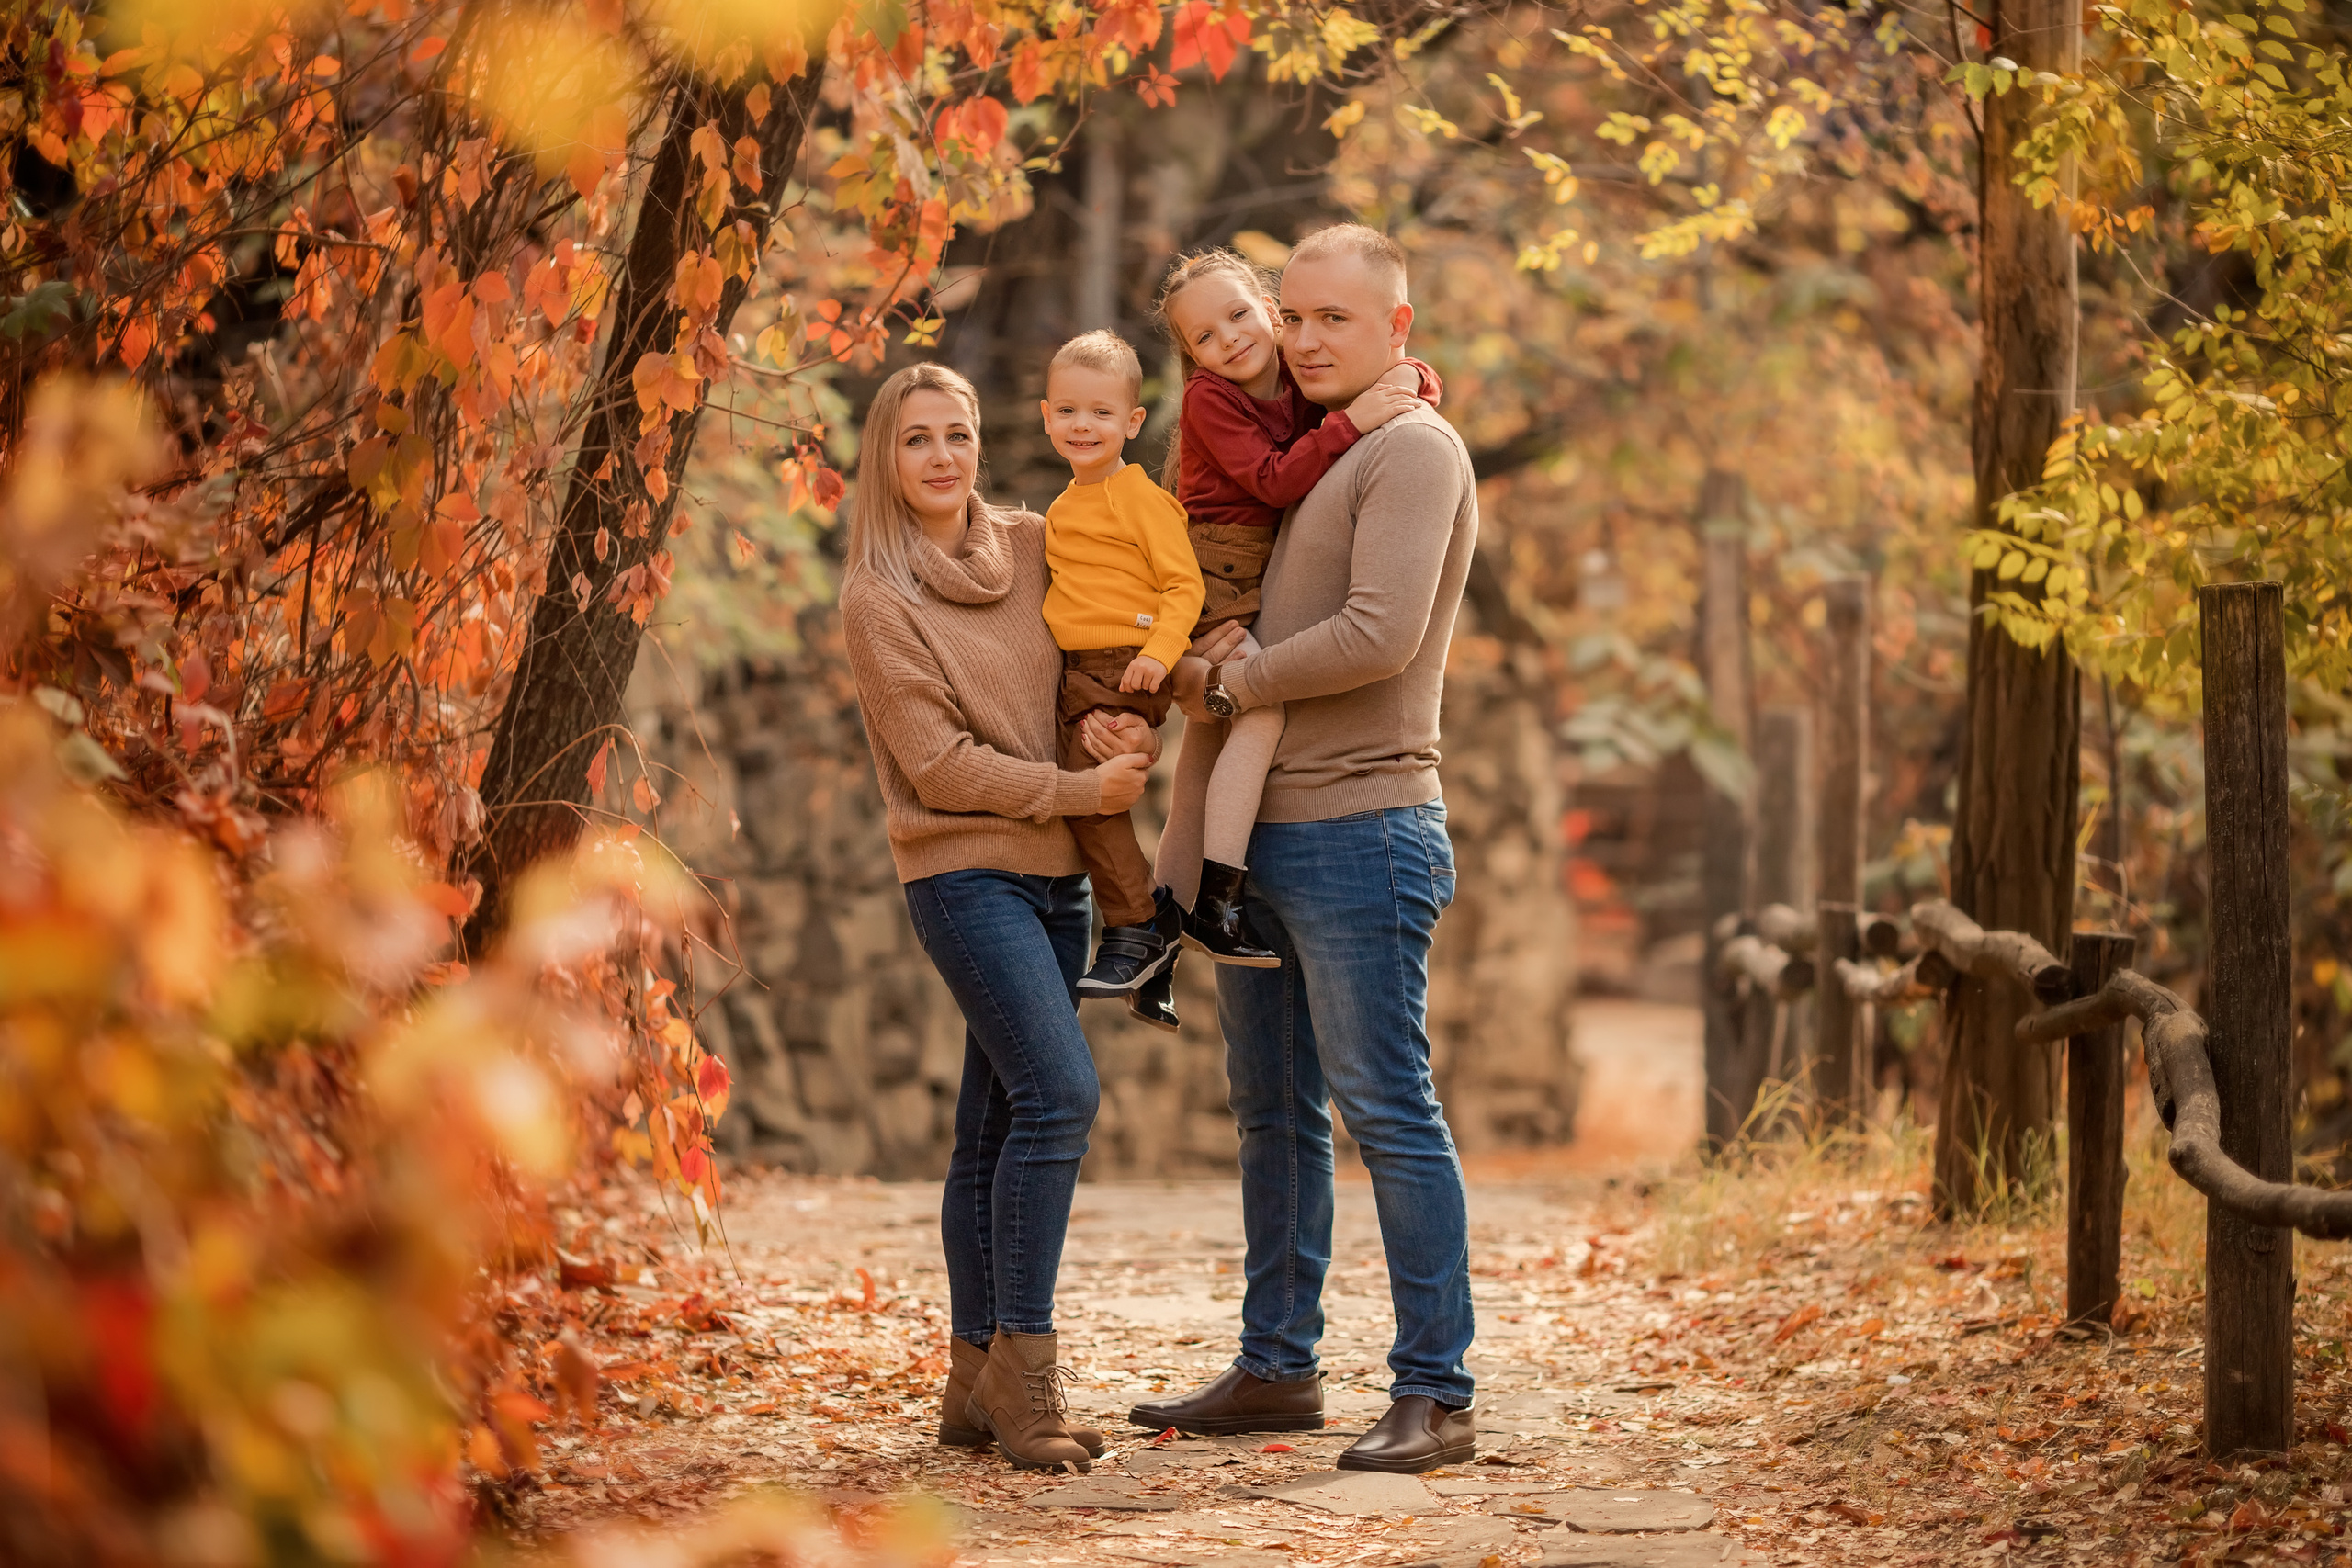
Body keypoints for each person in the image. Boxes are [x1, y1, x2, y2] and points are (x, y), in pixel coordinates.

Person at [1128, 226, 1483, 1474]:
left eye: (1337, 316)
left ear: (1397, 325)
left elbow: (1379, 633)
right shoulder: (1294, 445)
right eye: (1294, 313)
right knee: (1273, 1110)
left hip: (1363, 824)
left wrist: (1233, 685)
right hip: (1260, 831)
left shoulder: (1414, 448)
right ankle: (1279, 1364)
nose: (1306, 335)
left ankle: (1436, 1391)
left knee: (1388, 1105)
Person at [839, 362, 1155, 1473]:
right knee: (1061, 1094)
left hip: (1057, 877)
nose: (940, 456)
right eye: (916, 438)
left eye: (958, 433)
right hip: (963, 875)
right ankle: (1027, 1379)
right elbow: (935, 764)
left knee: (993, 1124)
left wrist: (1126, 732)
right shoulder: (879, 597)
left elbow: (1098, 655)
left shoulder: (1034, 542)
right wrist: (1074, 795)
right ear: (884, 457)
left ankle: (971, 1381)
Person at [1137, 251, 1436, 1033]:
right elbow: (1274, 480)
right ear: (1191, 356)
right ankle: (1218, 899)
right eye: (1205, 334)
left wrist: (1415, 387)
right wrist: (1357, 421)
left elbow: (1361, 383)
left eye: (1240, 314)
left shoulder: (1298, 382)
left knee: (1204, 752)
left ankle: (1151, 941)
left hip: (1245, 568)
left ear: (1269, 308)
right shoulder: (1213, 399)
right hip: (1220, 566)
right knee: (1255, 714)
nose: (1230, 339)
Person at [1034, 331, 1204, 1001]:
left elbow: (1182, 586)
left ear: (1133, 422)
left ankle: (1138, 926)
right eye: (1069, 411)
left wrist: (1156, 658)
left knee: (1090, 792)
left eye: (1102, 413)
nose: (1083, 425)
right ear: (1046, 415)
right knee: (1073, 790)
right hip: (1080, 667)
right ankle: (1142, 937)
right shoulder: (1061, 507)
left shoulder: (1139, 498)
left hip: (1125, 664)